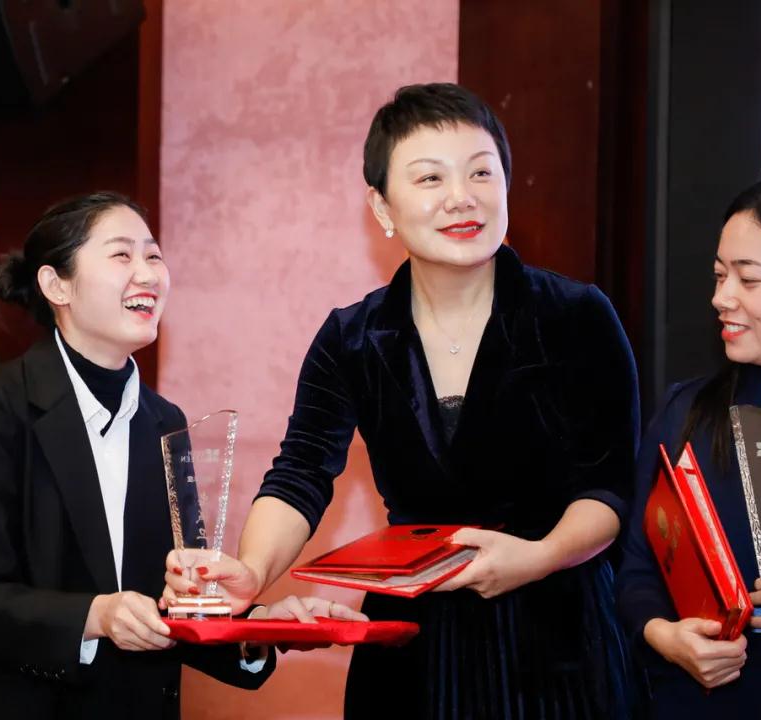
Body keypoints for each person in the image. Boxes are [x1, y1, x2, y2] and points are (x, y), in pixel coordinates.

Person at [164, 83, 640, 718]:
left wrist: (540, 557)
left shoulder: (576, 315)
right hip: (414, 641)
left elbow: (609, 486)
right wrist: (252, 571)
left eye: (481, 172)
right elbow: (302, 472)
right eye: (430, 178)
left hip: (559, 634)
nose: (461, 197)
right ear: (382, 206)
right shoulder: (353, 337)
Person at [0, 192, 353, 719]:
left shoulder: (164, 422)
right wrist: (97, 616)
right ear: (57, 285)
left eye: (154, 256)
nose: (147, 274)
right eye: (122, 255)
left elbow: (171, 603)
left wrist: (258, 628)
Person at [617, 170, 761, 717]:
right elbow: (638, 568)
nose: (722, 298)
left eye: (749, 279)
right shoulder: (688, 415)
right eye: (719, 276)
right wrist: (663, 635)